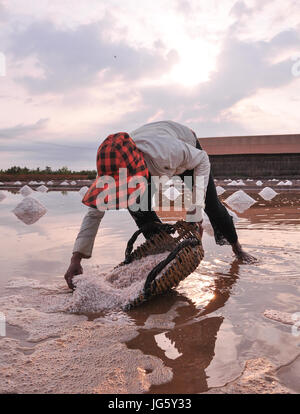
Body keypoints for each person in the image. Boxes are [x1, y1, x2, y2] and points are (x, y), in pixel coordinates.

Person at [64, 120, 256, 289]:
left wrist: (195, 213)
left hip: (188, 151)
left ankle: (237, 248)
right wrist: (76, 259)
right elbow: (93, 214)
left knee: (211, 205)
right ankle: (164, 256)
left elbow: (203, 159)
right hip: (151, 157)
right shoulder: (111, 165)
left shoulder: (165, 152)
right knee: (139, 208)